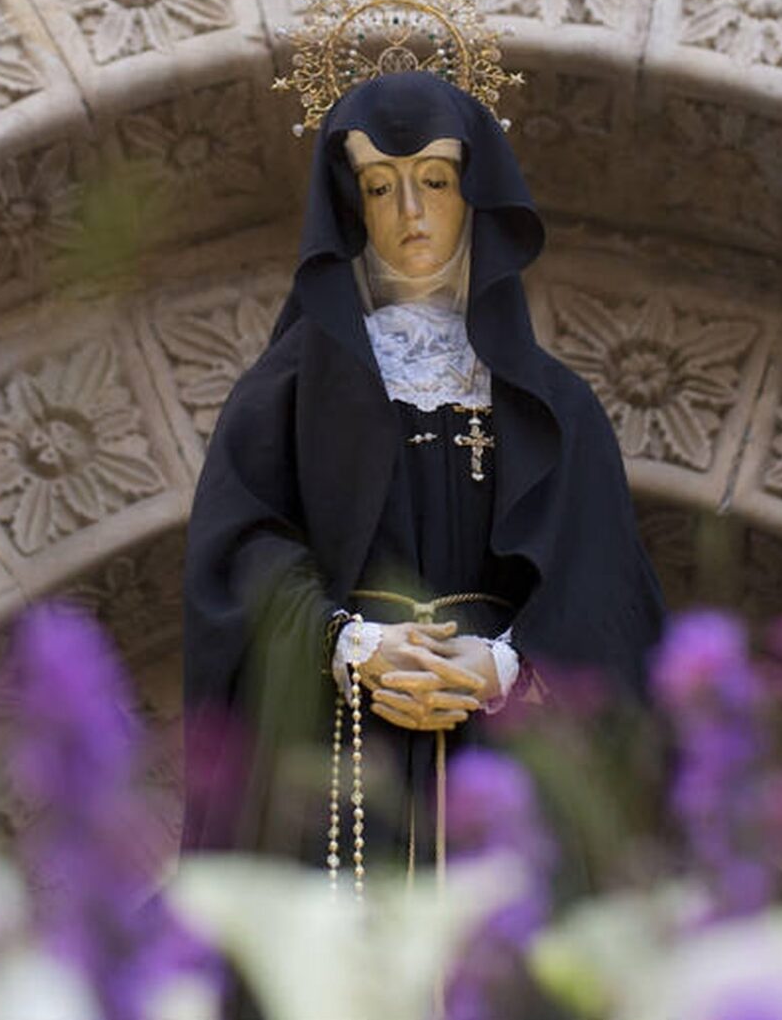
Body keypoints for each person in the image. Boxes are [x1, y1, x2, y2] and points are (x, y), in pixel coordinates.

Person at [181, 65, 665, 880]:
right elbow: (237, 552)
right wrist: (349, 642)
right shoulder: (290, 388)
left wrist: (504, 665)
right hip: (341, 750)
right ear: (349, 204)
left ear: (473, 190)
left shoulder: (553, 404)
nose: (410, 214)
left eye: (434, 180)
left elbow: (606, 583)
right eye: (380, 186)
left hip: (502, 753)